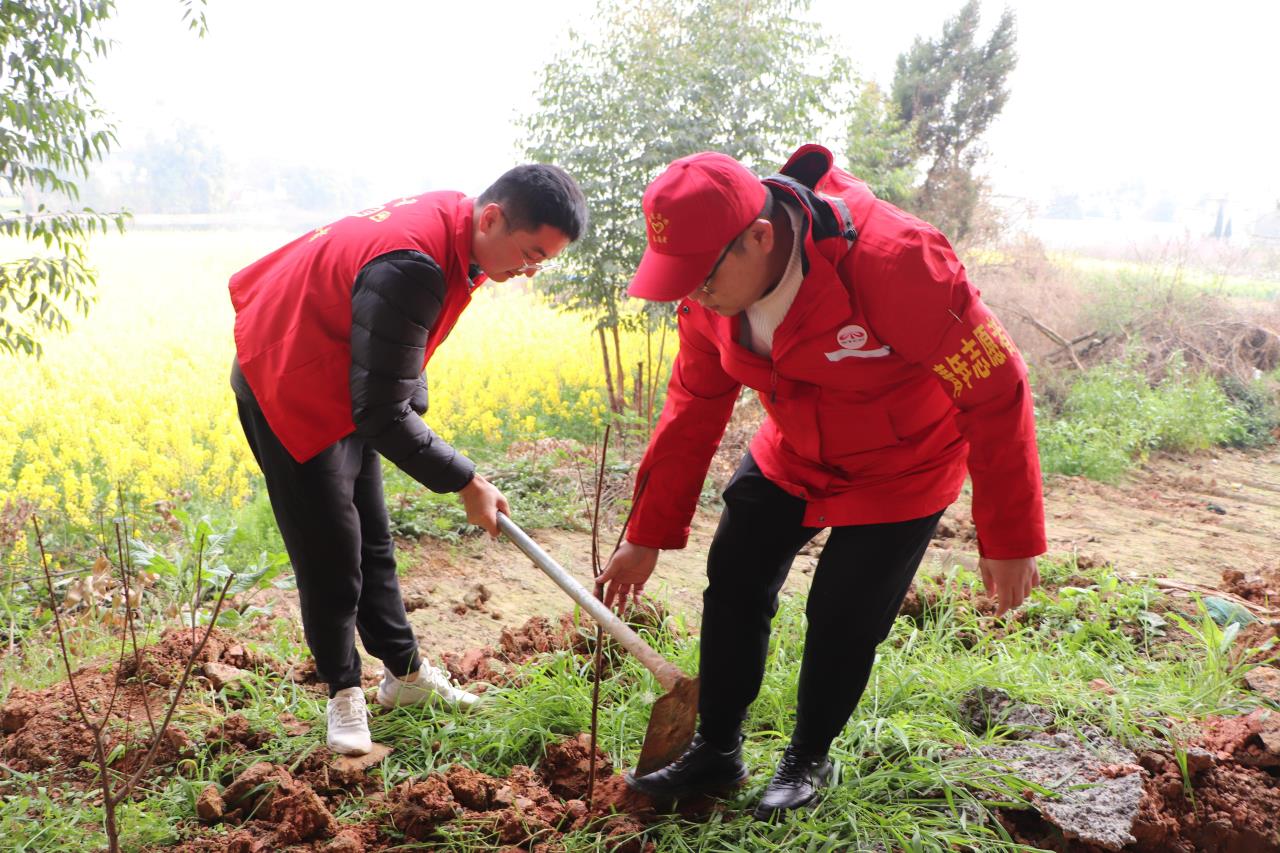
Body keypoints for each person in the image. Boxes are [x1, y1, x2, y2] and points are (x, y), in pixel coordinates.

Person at [597, 145, 1045, 819]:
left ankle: (807, 757)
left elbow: (997, 386)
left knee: (842, 612)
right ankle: (718, 745)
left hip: (905, 464)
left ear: (760, 236)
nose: (694, 293)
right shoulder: (713, 298)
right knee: (736, 575)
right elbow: (692, 408)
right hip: (796, 449)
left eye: (701, 276)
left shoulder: (898, 264)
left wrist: (1008, 535)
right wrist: (647, 532)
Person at [228, 165, 587, 755]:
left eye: (542, 261)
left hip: (342, 379)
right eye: (528, 254)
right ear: (493, 217)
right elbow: (382, 412)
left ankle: (405, 674)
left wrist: (412, 405)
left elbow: (395, 357)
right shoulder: (413, 263)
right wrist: (466, 479)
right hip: (287, 382)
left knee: (373, 543)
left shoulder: (457, 224)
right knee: (331, 553)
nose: (528, 271)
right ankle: (344, 691)